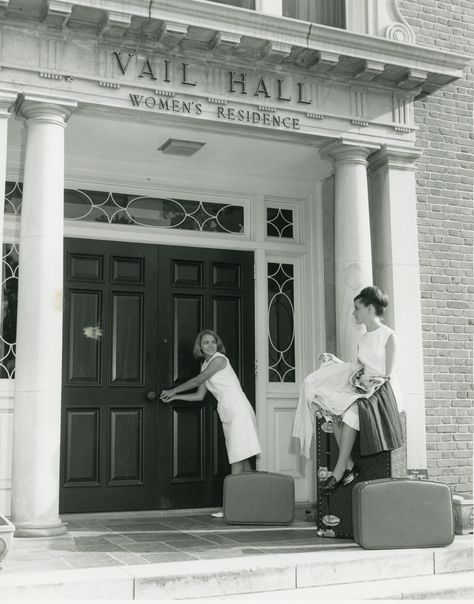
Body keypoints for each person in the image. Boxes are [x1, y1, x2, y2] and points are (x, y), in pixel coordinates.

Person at [292, 286, 404, 494]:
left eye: (357, 308)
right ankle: (350, 465)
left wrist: (368, 381)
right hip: (366, 389)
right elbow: (358, 369)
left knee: (351, 412)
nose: (354, 313)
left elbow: (388, 375)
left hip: (384, 393)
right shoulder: (362, 340)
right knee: (331, 407)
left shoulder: (389, 337)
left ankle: (339, 469)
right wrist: (342, 367)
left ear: (370, 308)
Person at [160, 330, 262, 516]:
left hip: (239, 410)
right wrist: (175, 397)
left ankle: (231, 508)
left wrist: (173, 390)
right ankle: (253, 504)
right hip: (230, 411)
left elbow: (199, 380)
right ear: (199, 347)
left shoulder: (219, 359)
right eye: (205, 342)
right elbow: (200, 395)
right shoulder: (206, 364)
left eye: (213, 342)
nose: (210, 345)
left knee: (237, 458)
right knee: (244, 460)